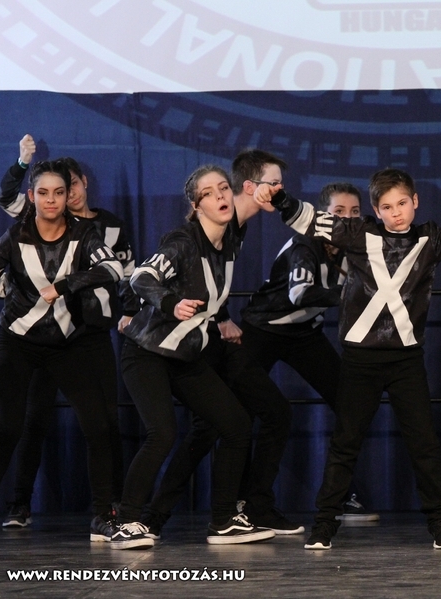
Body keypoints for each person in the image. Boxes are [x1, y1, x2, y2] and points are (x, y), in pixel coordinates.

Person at [256, 166, 441, 549]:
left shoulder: (432, 239)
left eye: (402, 203)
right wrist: (279, 198)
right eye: (387, 207)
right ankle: (323, 527)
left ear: (415, 201)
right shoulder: (358, 232)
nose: (396, 213)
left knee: (424, 445)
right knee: (345, 444)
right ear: (376, 209)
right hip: (360, 360)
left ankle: (440, 527)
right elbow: (309, 221)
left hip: (407, 360)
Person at [138, 150, 306, 539]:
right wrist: (138, 309)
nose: (279, 190)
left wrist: (223, 314)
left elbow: (213, 280)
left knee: (270, 413)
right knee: (209, 429)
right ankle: (158, 516)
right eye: (273, 183)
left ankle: (249, 507)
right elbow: (159, 273)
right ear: (250, 186)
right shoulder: (207, 226)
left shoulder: (232, 224)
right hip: (194, 342)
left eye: (281, 184)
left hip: (215, 336)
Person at [113, 164, 274, 549]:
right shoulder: (183, 242)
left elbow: (247, 207)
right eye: (208, 193)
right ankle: (128, 522)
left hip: (185, 357)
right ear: (196, 205)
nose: (219, 196)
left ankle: (223, 521)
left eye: (223, 188)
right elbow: (141, 278)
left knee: (236, 425)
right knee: (162, 433)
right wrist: (171, 303)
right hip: (147, 353)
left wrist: (267, 194)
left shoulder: (229, 240)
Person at [0, 134, 136, 533]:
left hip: (80, 336)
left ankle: (108, 510)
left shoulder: (97, 229)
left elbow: (119, 270)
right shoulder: (24, 227)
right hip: (27, 337)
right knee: (19, 423)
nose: (56, 198)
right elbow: (3, 206)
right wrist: (22, 162)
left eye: (64, 189)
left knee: (102, 424)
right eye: (46, 192)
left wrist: (75, 287)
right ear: (35, 195)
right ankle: (11, 506)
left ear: (80, 186)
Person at [239, 181, 378, 522]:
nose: (347, 219)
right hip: (262, 330)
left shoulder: (358, 243)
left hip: (305, 333)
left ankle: (337, 496)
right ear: (322, 216)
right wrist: (353, 295)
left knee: (350, 403)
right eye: (338, 212)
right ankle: (245, 503)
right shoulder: (305, 244)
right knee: (242, 415)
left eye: (355, 212)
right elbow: (299, 294)